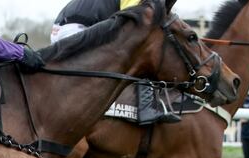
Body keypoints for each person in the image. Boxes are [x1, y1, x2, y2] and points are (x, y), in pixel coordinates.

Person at [49, 0, 180, 124]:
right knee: (138, 50)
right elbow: (133, 22)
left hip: (70, 26)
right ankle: (145, 109)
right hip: (76, 29)